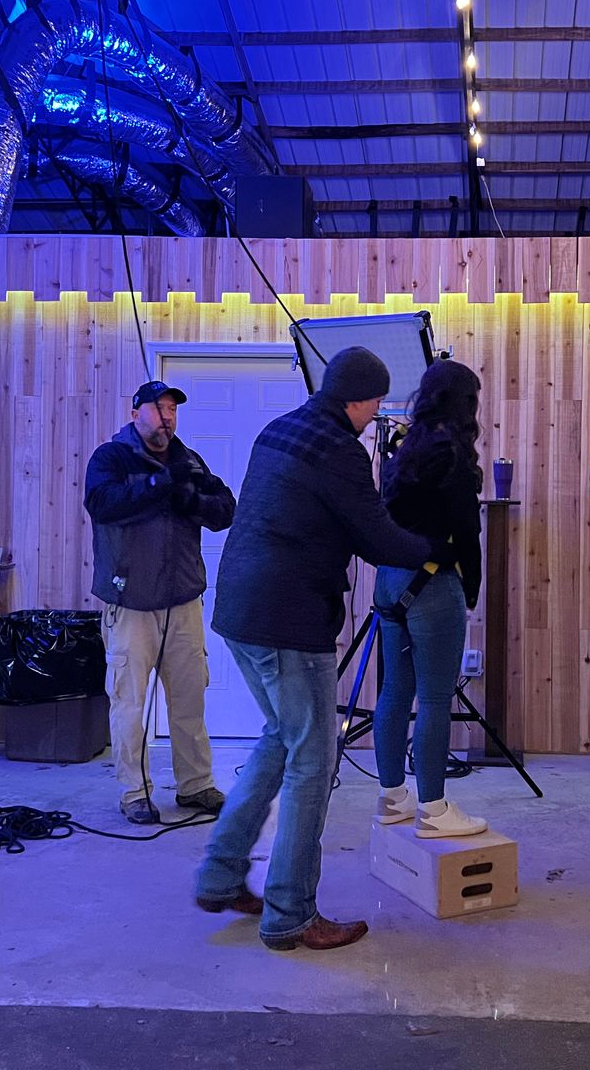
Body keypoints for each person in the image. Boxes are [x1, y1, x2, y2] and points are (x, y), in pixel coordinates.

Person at [194, 347, 441, 952]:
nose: (377, 413)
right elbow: (376, 539)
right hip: (289, 620)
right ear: (357, 400)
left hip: (239, 610)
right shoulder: (339, 449)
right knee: (313, 763)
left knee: (281, 739)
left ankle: (220, 875)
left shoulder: (279, 429)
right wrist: (436, 551)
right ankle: (290, 915)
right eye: (376, 402)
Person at [84, 380, 236, 825]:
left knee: (190, 701)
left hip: (183, 602)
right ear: (136, 414)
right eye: (158, 408)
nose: (167, 416)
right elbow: (102, 504)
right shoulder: (111, 458)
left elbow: (225, 509)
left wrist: (191, 499)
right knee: (129, 704)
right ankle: (135, 792)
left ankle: (196, 785)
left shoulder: (189, 461)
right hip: (130, 603)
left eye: (172, 409)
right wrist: (157, 484)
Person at [372, 359, 487, 839]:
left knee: (394, 692)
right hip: (433, 583)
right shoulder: (453, 456)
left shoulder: (402, 449)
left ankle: (392, 798)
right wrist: (472, 587)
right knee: (436, 698)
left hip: (389, 581)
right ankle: (435, 810)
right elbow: (467, 532)